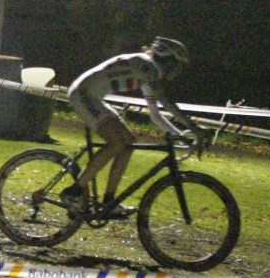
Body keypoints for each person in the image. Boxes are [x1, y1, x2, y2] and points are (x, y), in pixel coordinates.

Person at [63, 37, 197, 218]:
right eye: (178, 65)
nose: (178, 70)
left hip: (93, 96)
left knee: (129, 142)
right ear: (168, 59)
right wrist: (194, 128)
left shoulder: (149, 73)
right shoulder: (146, 64)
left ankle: (109, 201)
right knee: (117, 143)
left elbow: (156, 116)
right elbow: (166, 102)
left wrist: (180, 135)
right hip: (84, 94)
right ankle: (74, 191)